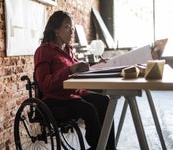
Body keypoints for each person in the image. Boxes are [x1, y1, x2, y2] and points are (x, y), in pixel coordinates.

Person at [34, 10, 115, 150]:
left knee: (105, 101)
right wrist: (70, 70)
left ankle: (110, 147)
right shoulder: (43, 51)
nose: (71, 32)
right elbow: (45, 85)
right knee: (89, 109)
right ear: (55, 30)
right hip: (56, 99)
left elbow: (80, 68)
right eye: (67, 27)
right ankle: (99, 146)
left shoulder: (68, 50)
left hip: (75, 95)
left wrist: (97, 65)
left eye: (72, 28)